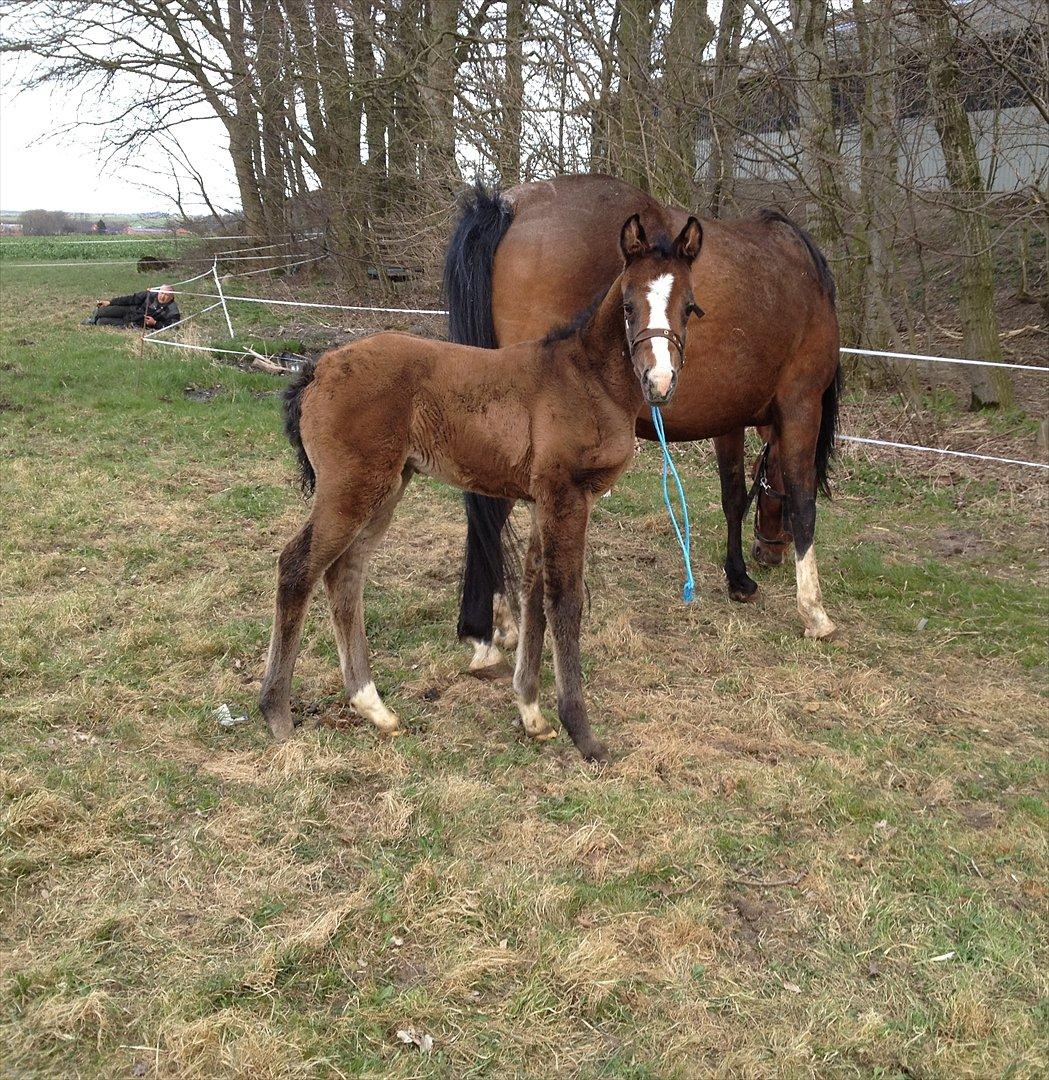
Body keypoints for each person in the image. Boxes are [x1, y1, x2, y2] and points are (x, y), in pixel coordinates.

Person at [87, 285, 180, 329]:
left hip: (136, 323)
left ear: (172, 296)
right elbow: (131, 299)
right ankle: (90, 320)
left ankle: (95, 321)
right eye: (161, 292)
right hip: (129, 311)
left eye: (166, 295)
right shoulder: (150, 294)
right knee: (101, 311)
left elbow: (172, 327)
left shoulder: (173, 310)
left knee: (101, 322)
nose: (162, 296)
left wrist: (155, 323)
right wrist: (110, 302)